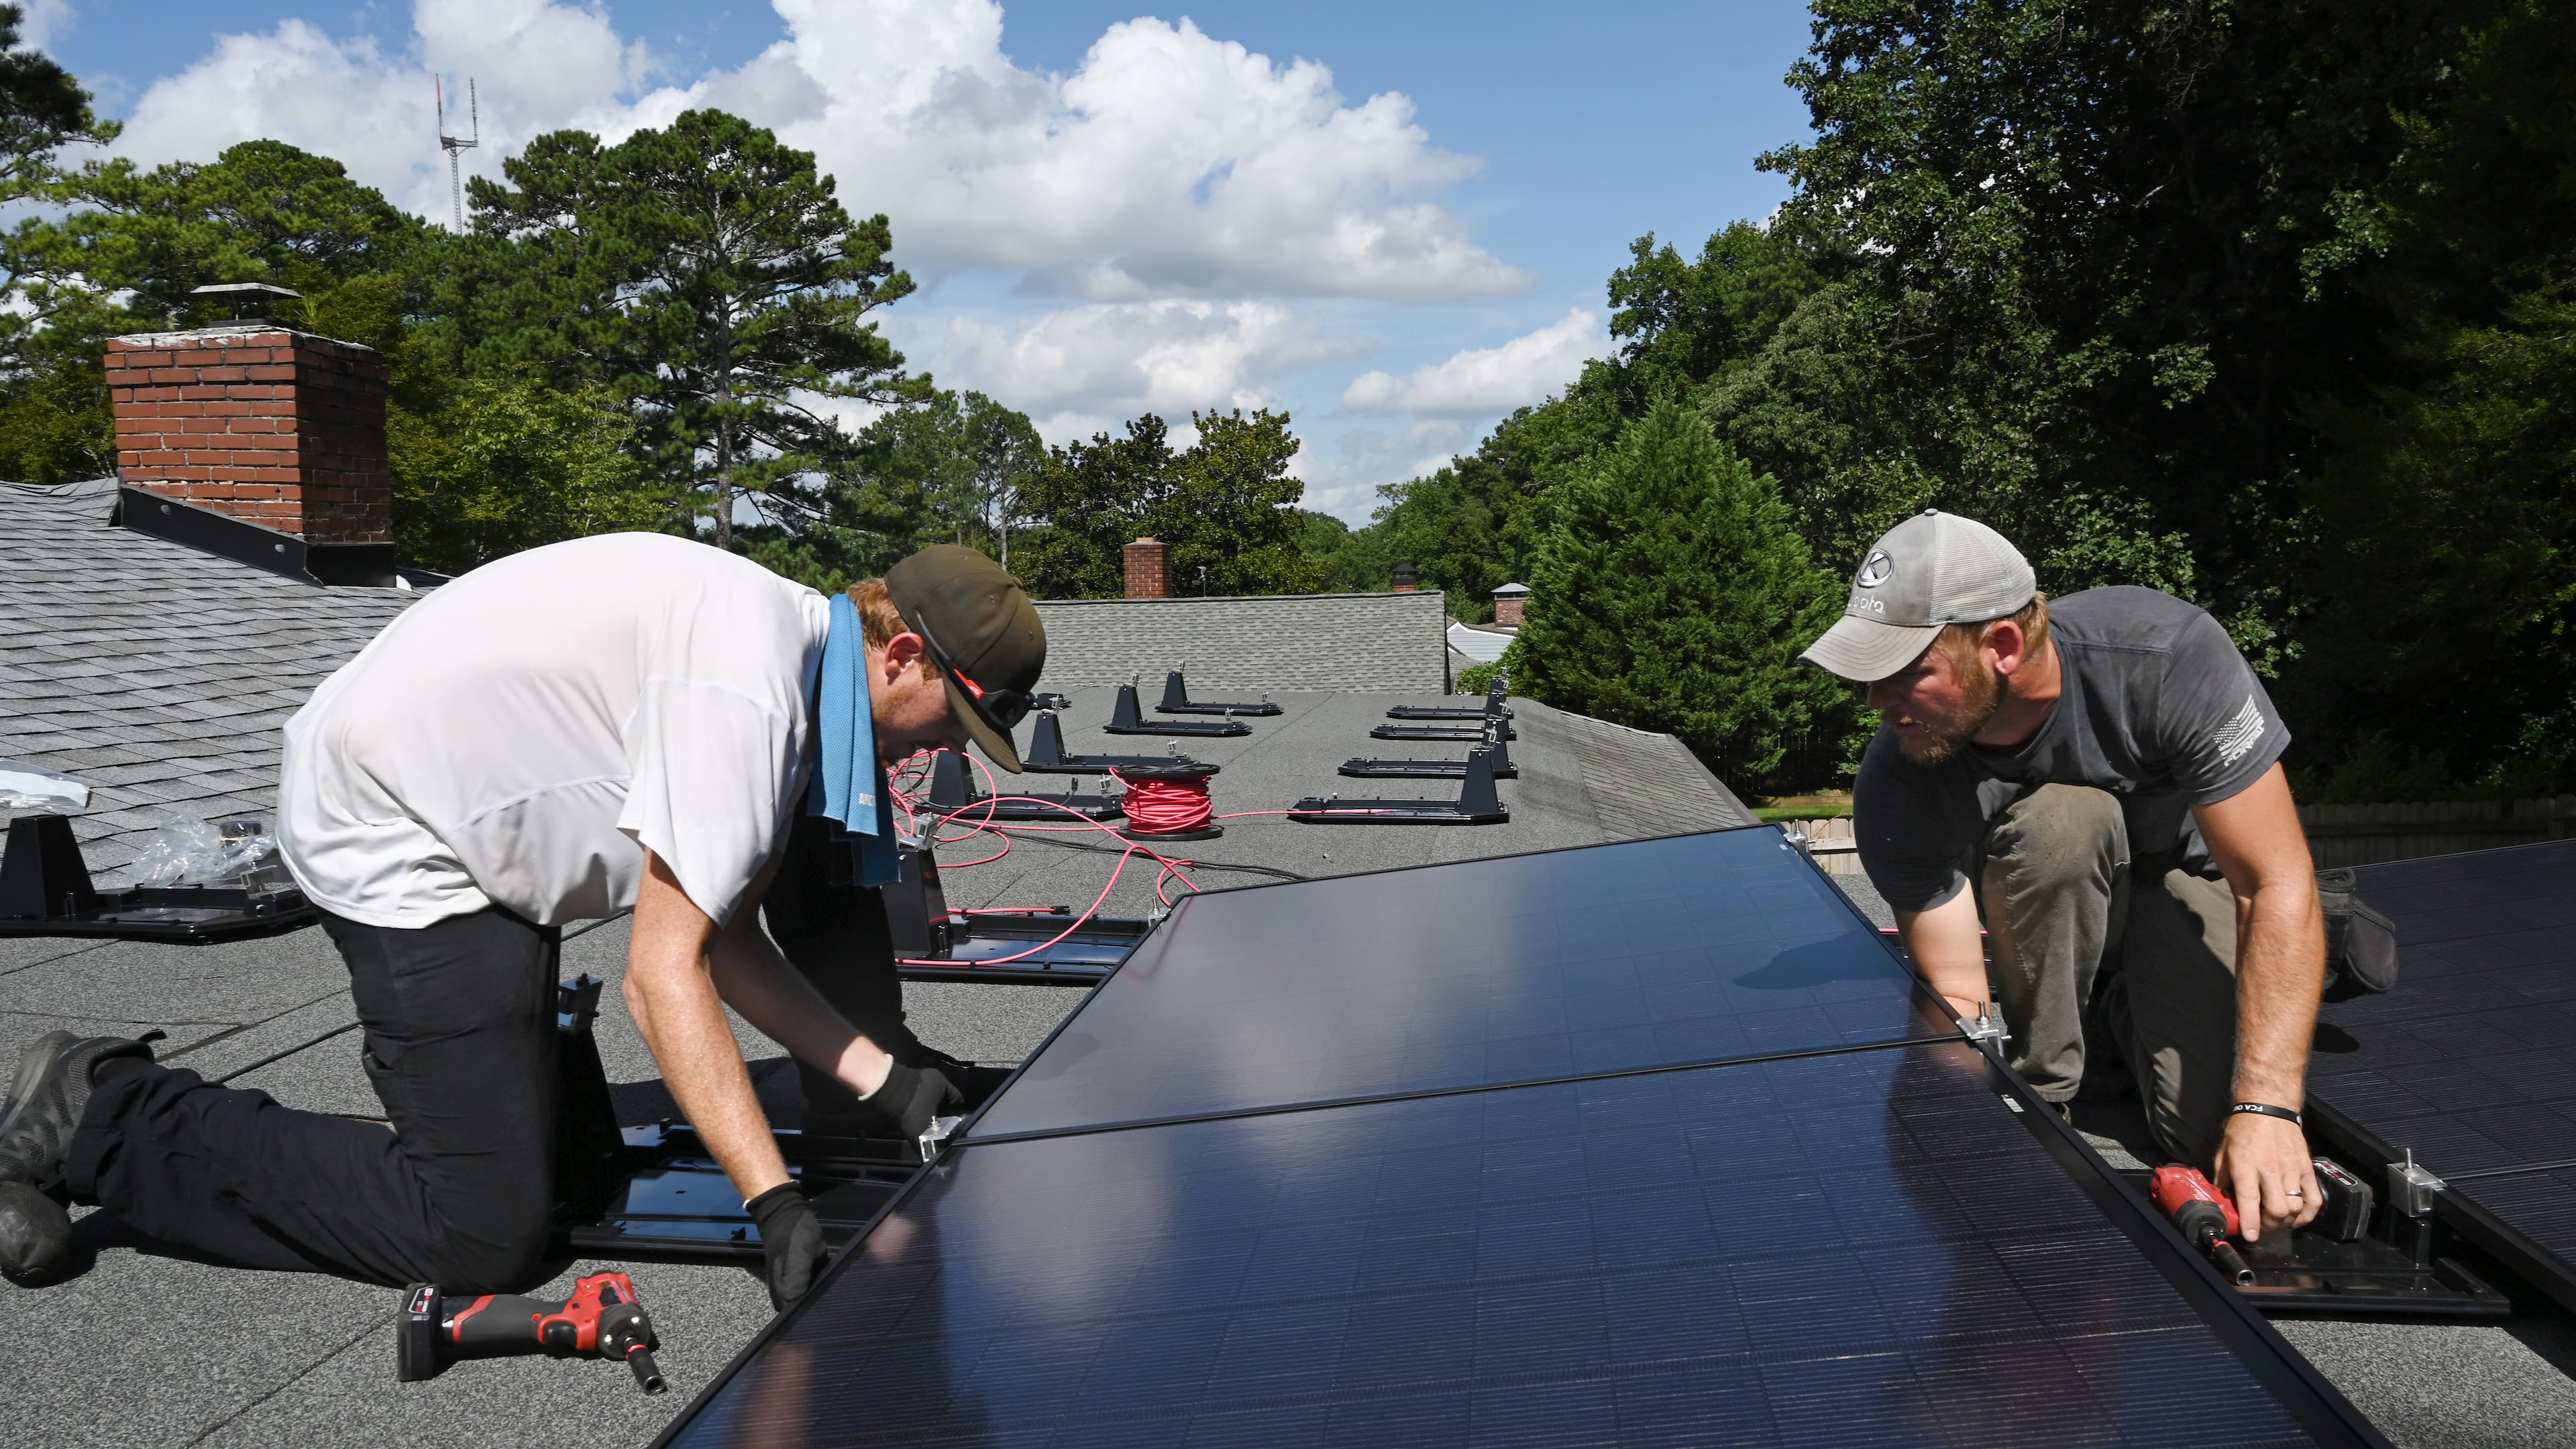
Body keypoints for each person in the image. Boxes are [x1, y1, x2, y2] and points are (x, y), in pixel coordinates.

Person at [0, 536, 1045, 1308]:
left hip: (469, 816)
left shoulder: (782, 652)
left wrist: (890, 1084)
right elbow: (661, 977)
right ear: (902, 652)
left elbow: (728, 944)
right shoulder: (753, 697)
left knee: (554, 1180)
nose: (930, 752)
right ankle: (103, 1110)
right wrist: (771, 1201)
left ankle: (493, 1111)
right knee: (482, 1233)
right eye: (947, 724)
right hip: (395, 835)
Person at [1801, 510, 2326, 1238]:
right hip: (2059, 897)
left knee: (2205, 1137)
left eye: (1904, 673)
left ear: (2004, 646)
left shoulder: (2164, 657)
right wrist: (1973, 1136)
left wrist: (2268, 1109)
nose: (1876, 702)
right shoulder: (1900, 779)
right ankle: (2053, 1081)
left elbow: (2275, 883)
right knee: (2064, 823)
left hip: (2185, 881)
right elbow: (1958, 990)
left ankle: (2118, 1014)